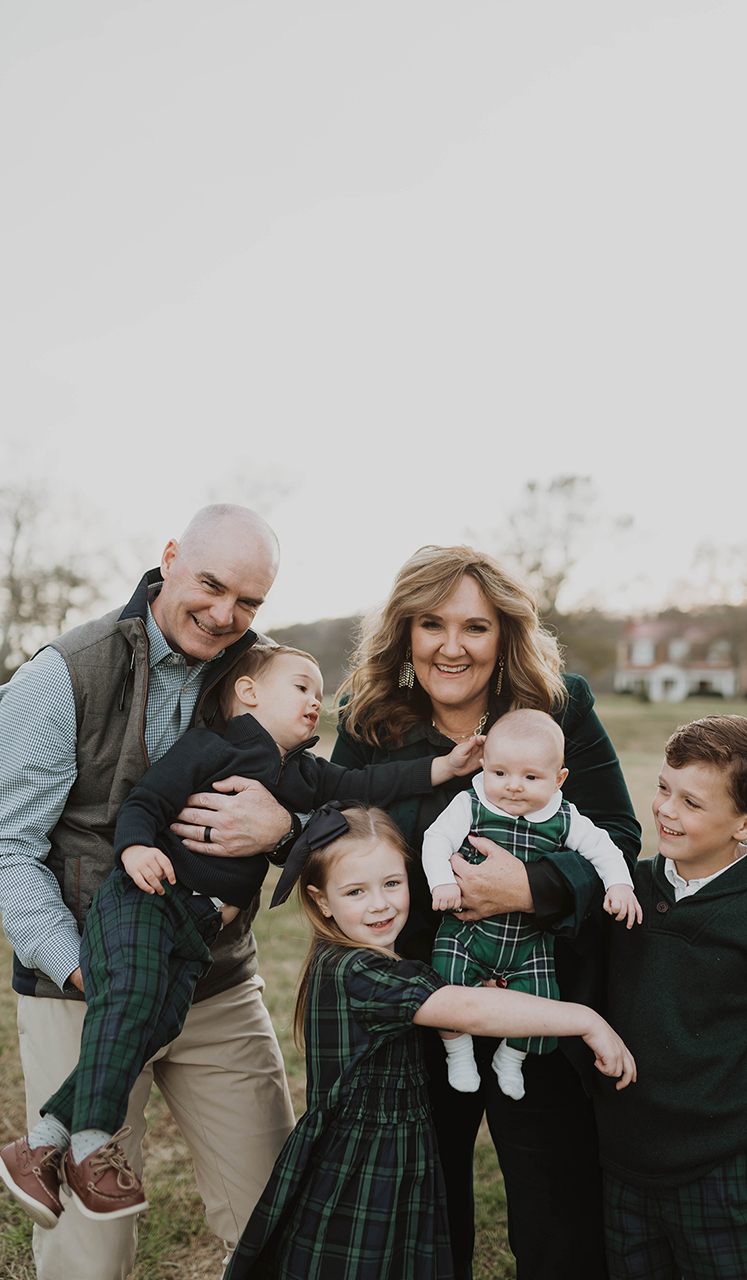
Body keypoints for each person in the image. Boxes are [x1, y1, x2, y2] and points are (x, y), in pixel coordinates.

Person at [0, 642, 481, 1227]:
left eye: (319, 694)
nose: (315, 701)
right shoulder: (212, 746)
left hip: (195, 928)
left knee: (156, 1020)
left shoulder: (302, 773)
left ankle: (41, 1143)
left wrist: (444, 768)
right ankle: (90, 1142)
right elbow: (146, 801)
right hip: (146, 899)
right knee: (130, 1001)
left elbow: (368, 783)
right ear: (250, 693)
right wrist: (135, 848)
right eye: (301, 687)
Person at [0, 506, 308, 1280]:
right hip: (82, 984)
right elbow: (8, 849)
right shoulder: (63, 674)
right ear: (169, 558)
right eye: (210, 585)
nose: (225, 614)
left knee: (275, 1209)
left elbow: (312, 793)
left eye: (249, 601)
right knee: (89, 1243)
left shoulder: (260, 676)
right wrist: (92, 973)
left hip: (215, 983)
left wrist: (281, 826)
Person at [331, 544, 642, 1279]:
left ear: (503, 634)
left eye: (474, 626)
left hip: (536, 990)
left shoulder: (560, 709)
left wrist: (530, 888)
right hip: (416, 997)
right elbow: (337, 837)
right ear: (405, 632)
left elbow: (619, 838)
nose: (451, 645)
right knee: (424, 1202)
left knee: (555, 1211)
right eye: (431, 623)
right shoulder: (369, 721)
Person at [223, 803, 636, 1280]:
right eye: (355, 891)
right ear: (321, 901)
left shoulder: (366, 961)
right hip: (362, 1164)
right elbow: (465, 1010)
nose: (379, 904)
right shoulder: (358, 970)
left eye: (391, 884)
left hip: (399, 1152)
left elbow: (459, 999)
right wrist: (585, 1019)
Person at [594, 715, 747, 1280]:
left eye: (691, 802)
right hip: (623, 1159)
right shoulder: (625, 891)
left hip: (721, 1167)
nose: (666, 810)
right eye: (662, 788)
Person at [423, 708, 641, 1099]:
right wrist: (442, 881)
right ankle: (458, 1052)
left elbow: (605, 849)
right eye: (500, 773)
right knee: (444, 985)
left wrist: (619, 886)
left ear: (559, 780)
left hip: (529, 943)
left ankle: (511, 1058)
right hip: (467, 933)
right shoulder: (469, 805)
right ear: (484, 765)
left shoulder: (564, 817)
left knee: (542, 1002)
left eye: (531, 777)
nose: (513, 787)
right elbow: (435, 840)